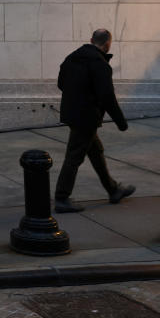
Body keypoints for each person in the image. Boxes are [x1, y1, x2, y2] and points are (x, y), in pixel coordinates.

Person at [53, 29, 135, 213]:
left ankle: (113, 190)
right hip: (87, 117)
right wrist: (121, 122)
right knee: (74, 156)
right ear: (107, 44)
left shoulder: (72, 58)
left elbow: (61, 83)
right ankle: (61, 198)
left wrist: (77, 94)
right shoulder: (100, 64)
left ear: (91, 40)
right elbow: (107, 97)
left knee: (96, 151)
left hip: (72, 113)